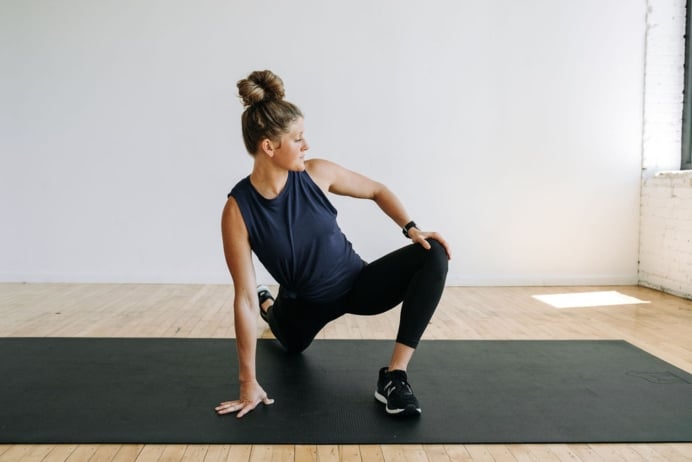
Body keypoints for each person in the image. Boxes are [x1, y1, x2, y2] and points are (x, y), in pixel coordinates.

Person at [215, 70, 451, 419]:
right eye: (297, 139)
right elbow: (244, 299)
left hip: (357, 285)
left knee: (433, 255)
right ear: (269, 146)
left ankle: (395, 377)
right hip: (304, 306)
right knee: (287, 340)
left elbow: (376, 190)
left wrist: (411, 228)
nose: (306, 145)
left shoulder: (317, 173)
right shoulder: (238, 211)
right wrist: (247, 381)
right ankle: (273, 305)